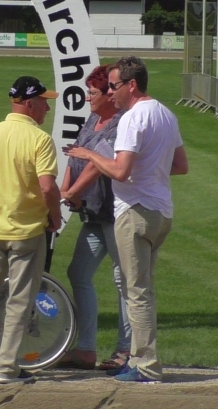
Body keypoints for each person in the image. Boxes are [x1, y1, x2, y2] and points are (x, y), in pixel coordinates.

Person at [65, 56, 188, 383]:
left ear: (131, 85)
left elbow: (120, 171)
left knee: (136, 292)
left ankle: (145, 366)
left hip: (134, 211)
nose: (110, 92)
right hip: (160, 212)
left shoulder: (133, 117)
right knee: (141, 289)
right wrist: (148, 167)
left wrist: (90, 155)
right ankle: (135, 359)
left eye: (114, 86)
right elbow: (180, 165)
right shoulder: (166, 113)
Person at [0, 76, 62, 384]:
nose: (47, 108)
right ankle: (6, 367)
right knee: (19, 301)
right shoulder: (39, 139)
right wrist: (55, 216)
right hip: (28, 232)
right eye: (43, 102)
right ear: (29, 103)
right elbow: (48, 187)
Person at [57, 65, 131, 371]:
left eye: (93, 92)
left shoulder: (120, 122)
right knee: (78, 273)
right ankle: (86, 349)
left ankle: (126, 350)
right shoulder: (92, 119)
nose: (88, 97)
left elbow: (97, 164)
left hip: (113, 211)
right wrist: (65, 190)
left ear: (109, 95)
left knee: (124, 279)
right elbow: (76, 154)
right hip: (92, 212)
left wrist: (73, 191)